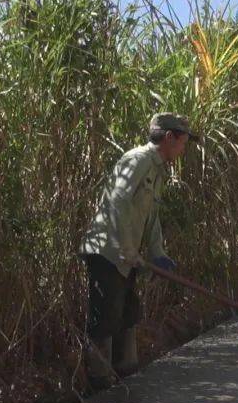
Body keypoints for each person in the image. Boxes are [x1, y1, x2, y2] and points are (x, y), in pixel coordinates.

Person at [78, 112, 197, 387]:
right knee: (105, 316)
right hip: (107, 252)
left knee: (128, 312)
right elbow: (118, 199)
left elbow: (151, 216)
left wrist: (158, 253)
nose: (183, 149)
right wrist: (128, 249)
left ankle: (125, 373)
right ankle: (100, 383)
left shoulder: (158, 170)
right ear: (169, 137)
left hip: (127, 258)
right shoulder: (137, 159)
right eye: (183, 142)